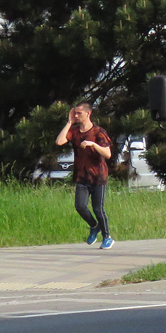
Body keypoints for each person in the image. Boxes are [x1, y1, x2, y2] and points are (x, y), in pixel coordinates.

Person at [57, 102, 115, 249]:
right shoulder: (75, 131)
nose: (76, 116)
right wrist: (69, 122)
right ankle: (94, 226)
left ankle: (107, 237)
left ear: (88, 114)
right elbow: (59, 141)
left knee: (98, 209)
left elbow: (108, 154)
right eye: (74, 113)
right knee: (80, 206)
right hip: (82, 177)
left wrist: (93, 145)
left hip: (98, 177)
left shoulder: (98, 132)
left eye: (79, 113)